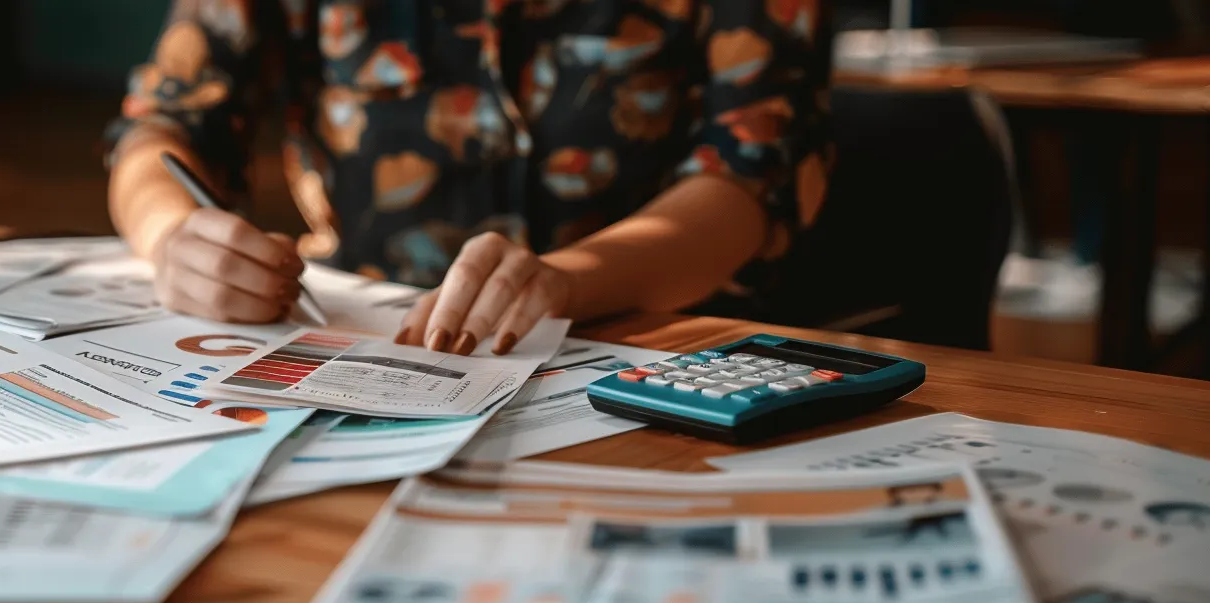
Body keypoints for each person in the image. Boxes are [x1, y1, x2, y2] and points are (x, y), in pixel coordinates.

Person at [107, 0, 830, 355]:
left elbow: (752, 176)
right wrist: (171, 237)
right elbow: (158, 131)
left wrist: (566, 282)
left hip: (657, 352)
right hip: (365, 347)